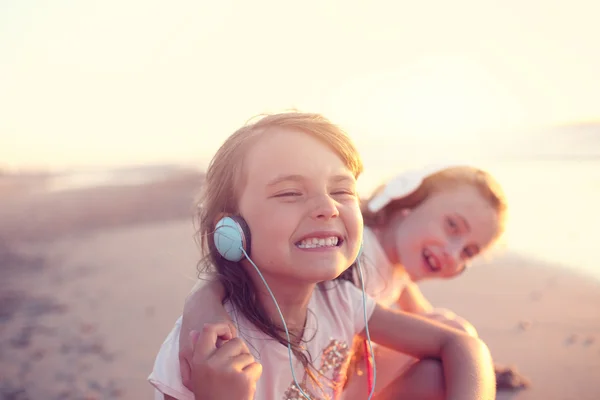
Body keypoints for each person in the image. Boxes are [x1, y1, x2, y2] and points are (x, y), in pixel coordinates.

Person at [148, 112, 496, 400]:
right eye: (289, 192)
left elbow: (460, 342)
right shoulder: (205, 347)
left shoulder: (341, 302)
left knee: (436, 376)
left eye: (342, 190)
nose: (328, 207)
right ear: (231, 230)